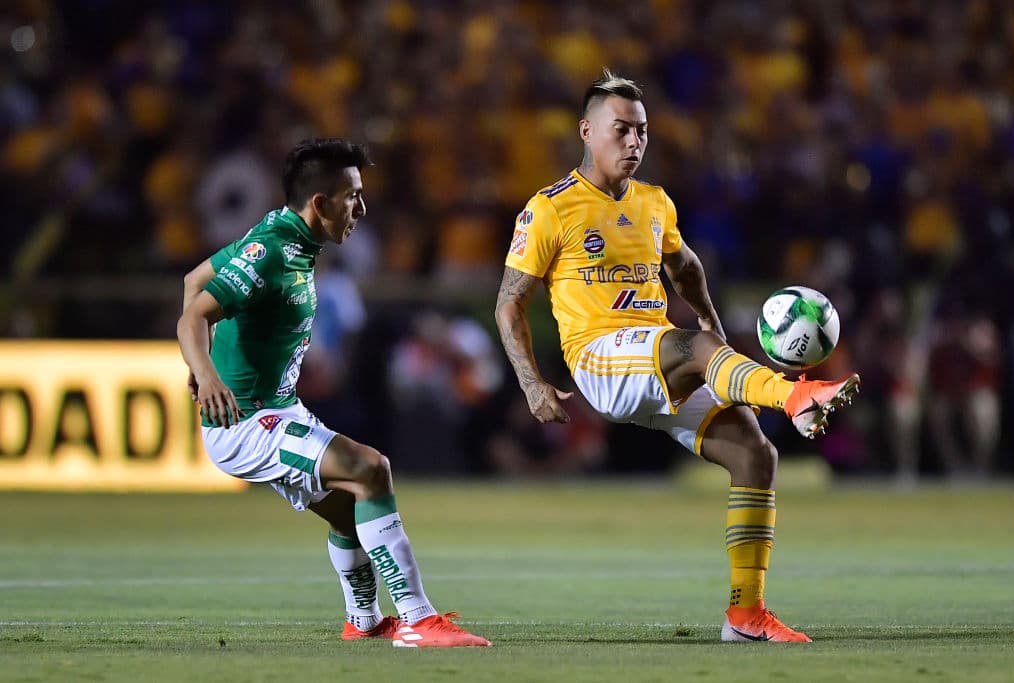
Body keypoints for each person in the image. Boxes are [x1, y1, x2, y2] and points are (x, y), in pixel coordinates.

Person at [495, 71, 860, 643]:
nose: (634, 142)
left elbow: (684, 266)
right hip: (599, 359)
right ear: (587, 131)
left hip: (657, 358)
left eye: (642, 131)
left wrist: (710, 317)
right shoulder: (549, 210)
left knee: (755, 455)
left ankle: (745, 616)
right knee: (694, 347)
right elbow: (508, 304)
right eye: (622, 130)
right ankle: (797, 393)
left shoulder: (653, 202)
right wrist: (532, 383)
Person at [177, 138, 490, 648]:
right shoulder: (272, 251)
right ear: (319, 204)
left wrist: (203, 361)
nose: (361, 209)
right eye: (352, 196)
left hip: (276, 411)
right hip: (247, 422)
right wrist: (205, 373)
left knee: (349, 509)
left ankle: (363, 621)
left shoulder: (287, 238)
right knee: (371, 468)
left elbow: (194, 279)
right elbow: (194, 313)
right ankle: (417, 620)